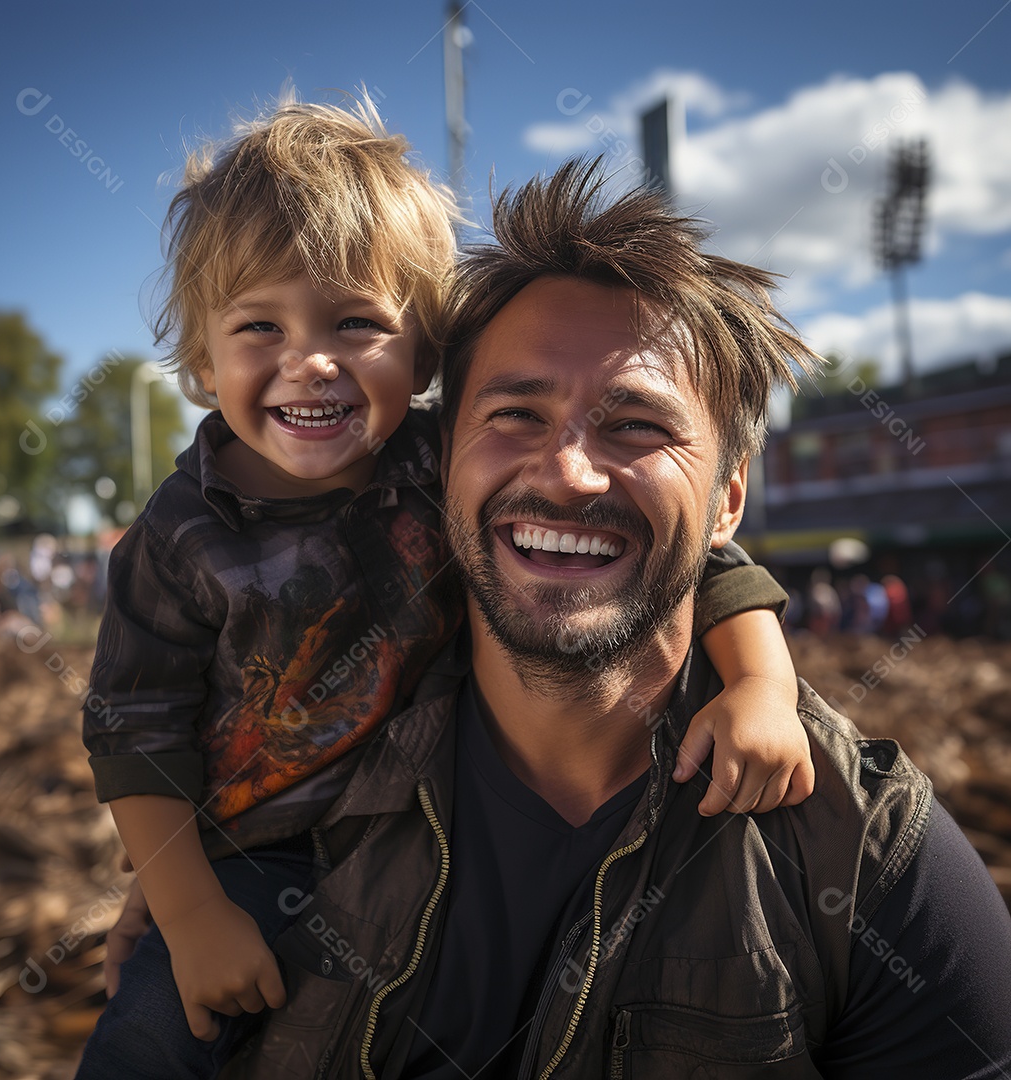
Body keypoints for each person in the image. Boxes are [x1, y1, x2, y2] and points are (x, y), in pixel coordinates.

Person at [224, 160, 1011, 1078]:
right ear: (442, 467)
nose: (568, 473)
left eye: (636, 426)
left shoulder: (870, 859)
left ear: (728, 500)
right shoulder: (297, 778)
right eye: (516, 411)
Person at [77, 103, 811, 1080]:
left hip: (437, 820)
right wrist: (188, 905)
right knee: (158, 1032)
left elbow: (692, 558)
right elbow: (133, 732)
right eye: (260, 326)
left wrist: (763, 684)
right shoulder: (175, 539)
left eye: (355, 324)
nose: (311, 362)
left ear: (424, 355)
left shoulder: (444, 465)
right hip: (258, 855)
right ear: (204, 363)